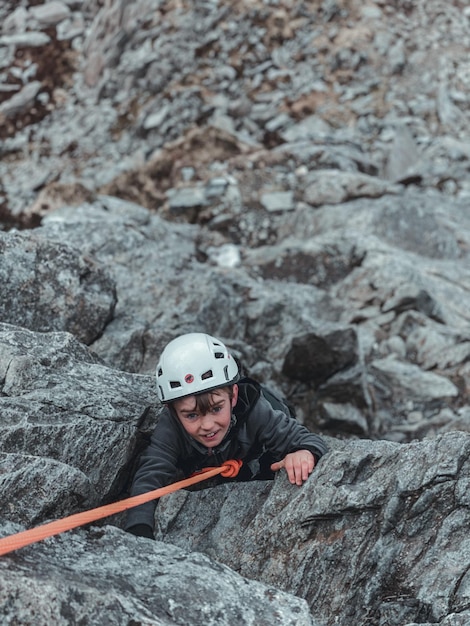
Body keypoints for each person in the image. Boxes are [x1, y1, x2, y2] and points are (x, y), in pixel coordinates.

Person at [125, 332, 328, 539]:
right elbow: (150, 476)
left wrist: (303, 452)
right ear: (173, 411)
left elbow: (309, 440)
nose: (207, 425)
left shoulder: (257, 413)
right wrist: (139, 528)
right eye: (192, 415)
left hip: (257, 448)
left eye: (216, 409)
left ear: (233, 396)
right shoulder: (171, 426)